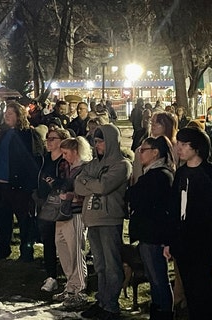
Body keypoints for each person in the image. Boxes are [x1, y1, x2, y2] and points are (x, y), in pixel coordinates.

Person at [76, 124, 132, 320]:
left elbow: (103, 186)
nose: (96, 145)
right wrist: (90, 184)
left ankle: (111, 305)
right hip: (92, 218)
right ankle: (102, 300)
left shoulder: (122, 164)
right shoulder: (93, 164)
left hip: (109, 219)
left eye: (100, 141)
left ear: (110, 142)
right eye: (95, 141)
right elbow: (78, 183)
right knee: (99, 264)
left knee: (111, 265)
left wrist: (88, 184)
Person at [165, 127, 212, 320]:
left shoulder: (211, 174)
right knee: (188, 286)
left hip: (203, 241)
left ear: (195, 147)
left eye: (183, 144)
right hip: (183, 240)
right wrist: (169, 240)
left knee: (202, 287)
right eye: (177, 143)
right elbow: (174, 209)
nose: (178, 148)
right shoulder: (181, 173)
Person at [127, 136, 175, 319]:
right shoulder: (153, 173)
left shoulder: (160, 175)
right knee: (154, 279)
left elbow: (138, 197)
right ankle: (158, 311)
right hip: (149, 234)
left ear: (155, 153)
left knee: (158, 279)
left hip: (155, 235)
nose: (139, 153)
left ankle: (164, 313)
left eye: (143, 150)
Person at [0, 102, 44, 261]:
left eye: (10, 114)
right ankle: (3, 248)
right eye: (6, 113)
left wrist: (29, 184)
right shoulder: (1, 133)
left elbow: (35, 160)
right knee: (2, 219)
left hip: (19, 187)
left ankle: (26, 251)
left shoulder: (28, 135)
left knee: (24, 221)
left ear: (19, 116)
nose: (7, 116)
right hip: (1, 184)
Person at [53, 137, 92, 308]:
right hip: (63, 213)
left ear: (75, 151)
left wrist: (71, 196)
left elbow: (87, 193)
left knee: (75, 249)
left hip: (76, 214)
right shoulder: (69, 168)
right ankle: (70, 285)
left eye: (66, 153)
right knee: (62, 247)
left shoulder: (84, 168)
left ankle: (80, 289)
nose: (64, 157)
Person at [35, 128, 71, 292]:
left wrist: (53, 182)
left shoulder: (64, 162)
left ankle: (70, 276)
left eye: (52, 139)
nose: (48, 141)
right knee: (48, 241)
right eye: (47, 139)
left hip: (59, 206)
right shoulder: (44, 159)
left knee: (63, 242)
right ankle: (51, 275)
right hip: (44, 205)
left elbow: (66, 183)